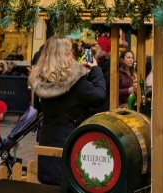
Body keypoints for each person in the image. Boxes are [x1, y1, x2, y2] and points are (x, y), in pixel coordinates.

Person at [28, 37, 106, 185]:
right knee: (69, 183)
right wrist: (95, 70)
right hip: (70, 140)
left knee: (49, 183)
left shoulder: (42, 78)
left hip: (49, 137)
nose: (73, 56)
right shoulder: (75, 82)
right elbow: (99, 96)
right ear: (64, 55)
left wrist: (80, 72)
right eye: (70, 52)